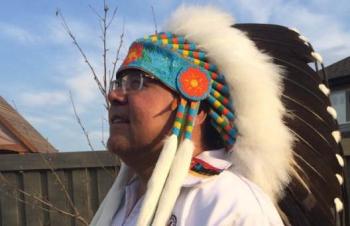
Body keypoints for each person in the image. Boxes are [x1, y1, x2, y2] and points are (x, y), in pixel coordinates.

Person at [91, 5, 346, 226]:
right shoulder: (122, 202)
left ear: (195, 108)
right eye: (119, 83)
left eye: (137, 82)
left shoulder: (230, 205)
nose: (114, 96)